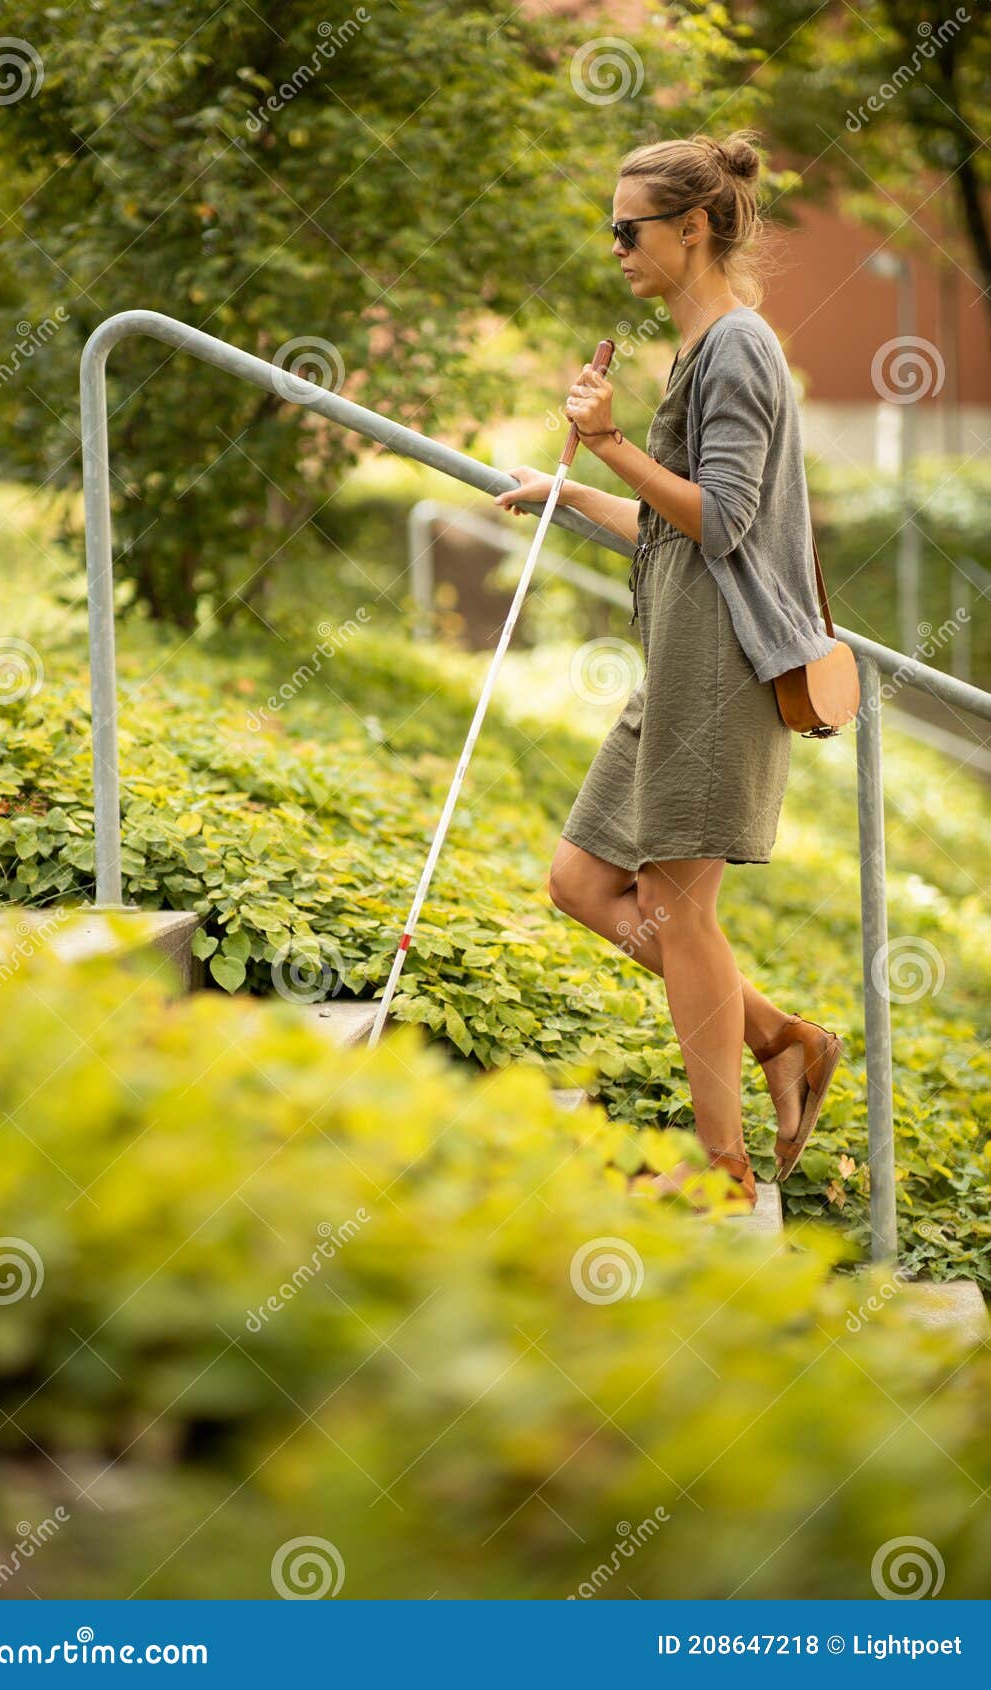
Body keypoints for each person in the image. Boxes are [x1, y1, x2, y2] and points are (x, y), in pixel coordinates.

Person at [494, 130, 843, 1213]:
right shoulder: (699, 352)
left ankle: (724, 1170)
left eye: (626, 228)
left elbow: (724, 518)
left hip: (722, 667)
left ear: (691, 228)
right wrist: (563, 493)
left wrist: (601, 443)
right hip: (678, 662)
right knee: (580, 882)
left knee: (676, 910)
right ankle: (781, 1037)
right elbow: (668, 521)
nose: (612, 247)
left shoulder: (735, 347)